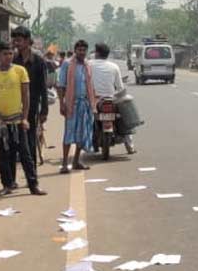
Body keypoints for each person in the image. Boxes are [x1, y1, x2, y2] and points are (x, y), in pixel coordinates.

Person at [0, 42, 46, 197]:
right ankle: (7, 184)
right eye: (5, 54)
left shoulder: (20, 71)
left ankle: (33, 184)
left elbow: (26, 97)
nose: (8, 56)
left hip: (17, 120)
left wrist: (25, 118)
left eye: (11, 53)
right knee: (4, 154)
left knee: (25, 154)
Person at [57, 40, 97, 173]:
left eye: (84, 50)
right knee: (69, 133)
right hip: (71, 104)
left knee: (82, 133)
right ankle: (64, 163)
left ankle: (76, 161)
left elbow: (90, 85)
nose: (82, 52)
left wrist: (93, 104)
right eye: (79, 50)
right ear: (75, 51)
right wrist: (61, 103)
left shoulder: (87, 65)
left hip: (85, 103)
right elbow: (61, 85)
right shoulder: (67, 64)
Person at [90, 43, 136, 154]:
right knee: (124, 118)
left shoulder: (88, 64)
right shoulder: (114, 66)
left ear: (97, 53)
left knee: (87, 119)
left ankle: (87, 143)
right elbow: (120, 88)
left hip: (94, 100)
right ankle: (130, 146)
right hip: (111, 100)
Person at [12, 26, 49, 165]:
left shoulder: (39, 61)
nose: (16, 43)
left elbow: (43, 88)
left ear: (28, 41)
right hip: (14, 105)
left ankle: (31, 170)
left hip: (32, 106)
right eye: (14, 40)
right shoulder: (13, 60)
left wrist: (44, 110)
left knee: (30, 138)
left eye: (19, 40)